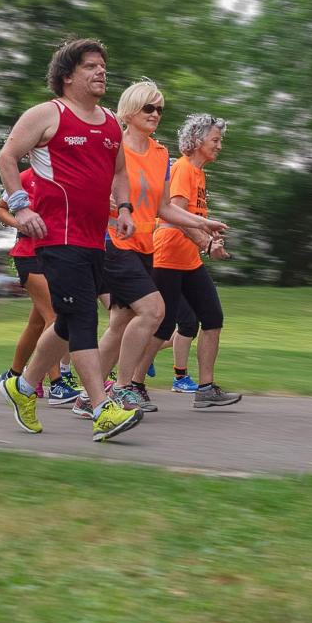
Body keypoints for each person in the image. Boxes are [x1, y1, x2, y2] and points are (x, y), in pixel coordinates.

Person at [0, 38, 143, 442]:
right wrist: (22, 208)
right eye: (91, 67)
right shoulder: (48, 114)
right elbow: (6, 158)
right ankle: (101, 408)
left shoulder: (112, 122)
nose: (101, 72)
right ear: (67, 76)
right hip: (56, 238)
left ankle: (22, 386)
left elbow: (119, 173)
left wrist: (126, 208)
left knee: (65, 319)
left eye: (102, 66)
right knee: (84, 318)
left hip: (95, 238)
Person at [95, 80, 227, 414]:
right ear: (129, 110)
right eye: (149, 108)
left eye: (160, 109)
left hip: (144, 246)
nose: (156, 114)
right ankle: (124, 387)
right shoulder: (112, 148)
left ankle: (90, 393)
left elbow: (164, 208)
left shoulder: (160, 153)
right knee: (154, 312)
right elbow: (91, 192)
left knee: (120, 323)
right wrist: (105, 200)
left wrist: (202, 225)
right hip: (113, 243)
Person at [137, 113, 241, 411]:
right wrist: (207, 242)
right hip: (168, 256)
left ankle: (206, 389)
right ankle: (133, 384)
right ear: (197, 141)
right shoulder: (182, 170)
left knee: (212, 318)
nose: (219, 146)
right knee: (163, 324)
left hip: (189, 259)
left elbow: (193, 221)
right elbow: (178, 218)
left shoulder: (198, 173)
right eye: (215, 140)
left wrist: (209, 243)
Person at [0, 166, 79, 404]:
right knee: (55, 318)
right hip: (28, 254)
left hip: (56, 255)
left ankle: (13, 375)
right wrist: (18, 223)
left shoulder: (65, 176)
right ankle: (57, 384)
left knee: (37, 323)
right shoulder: (21, 178)